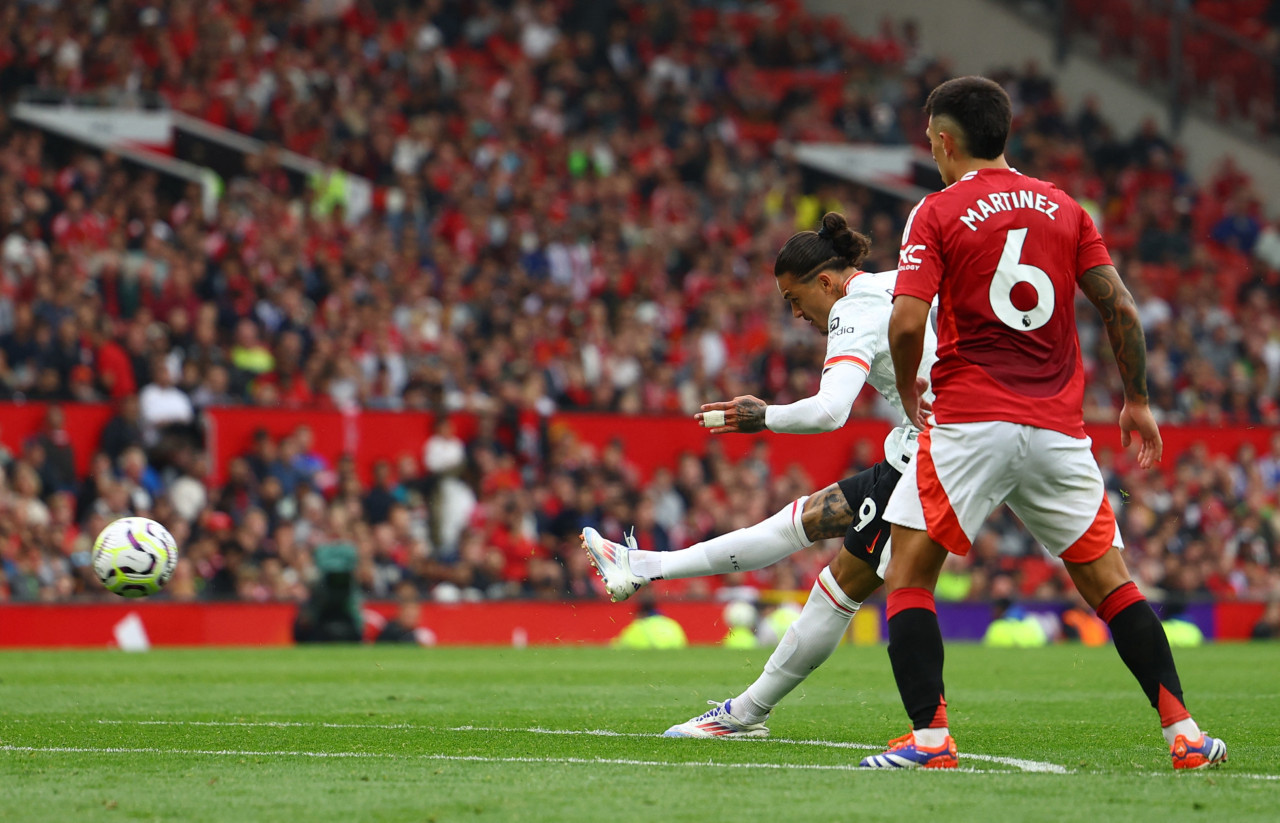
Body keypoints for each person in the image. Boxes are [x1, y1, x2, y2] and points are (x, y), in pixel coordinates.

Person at [863, 75, 1226, 770]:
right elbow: (1119, 306)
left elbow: (907, 318)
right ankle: (1184, 733)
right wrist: (1138, 398)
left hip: (970, 419)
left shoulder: (936, 211)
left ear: (943, 140)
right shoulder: (1066, 208)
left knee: (908, 573)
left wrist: (910, 382)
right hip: (1060, 428)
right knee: (1112, 584)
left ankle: (930, 739)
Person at [582, 211, 937, 737]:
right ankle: (641, 566)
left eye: (795, 299)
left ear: (825, 281)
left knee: (836, 586)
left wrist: (761, 416)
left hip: (936, 454)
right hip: (923, 446)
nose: (795, 313)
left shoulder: (852, 312)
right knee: (801, 522)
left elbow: (829, 411)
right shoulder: (892, 282)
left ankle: (748, 713)